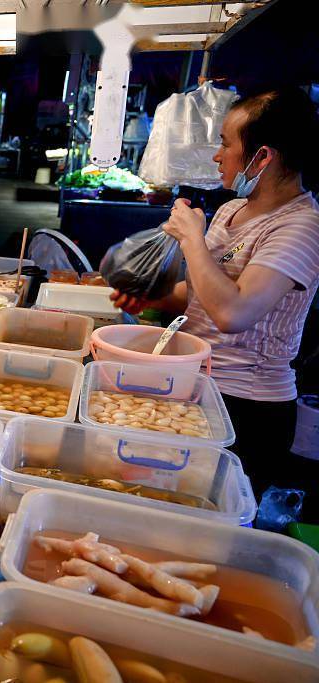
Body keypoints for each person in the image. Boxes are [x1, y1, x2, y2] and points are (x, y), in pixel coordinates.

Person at [112, 89, 319, 502]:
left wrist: (191, 238)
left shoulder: (301, 227)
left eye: (226, 143)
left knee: (207, 525)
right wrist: (153, 297)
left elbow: (233, 312)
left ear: (262, 157)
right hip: (196, 386)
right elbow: (202, 293)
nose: (217, 156)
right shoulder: (231, 212)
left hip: (247, 406)